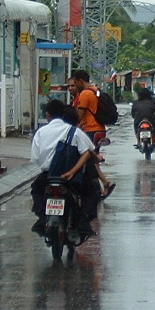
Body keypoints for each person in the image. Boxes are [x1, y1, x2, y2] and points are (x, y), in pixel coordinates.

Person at [30, 98, 96, 239]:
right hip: (70, 178)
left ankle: (42, 217)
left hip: (48, 177)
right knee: (93, 190)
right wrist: (72, 172)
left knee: (36, 189)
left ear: (48, 115)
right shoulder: (74, 132)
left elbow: (35, 158)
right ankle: (83, 223)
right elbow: (87, 153)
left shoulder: (40, 133)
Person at [69, 69, 116, 198]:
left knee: (89, 158)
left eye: (75, 82)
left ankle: (105, 183)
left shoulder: (85, 94)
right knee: (91, 159)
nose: (74, 86)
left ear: (79, 81)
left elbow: (79, 115)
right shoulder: (95, 90)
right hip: (100, 129)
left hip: (91, 130)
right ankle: (97, 189)